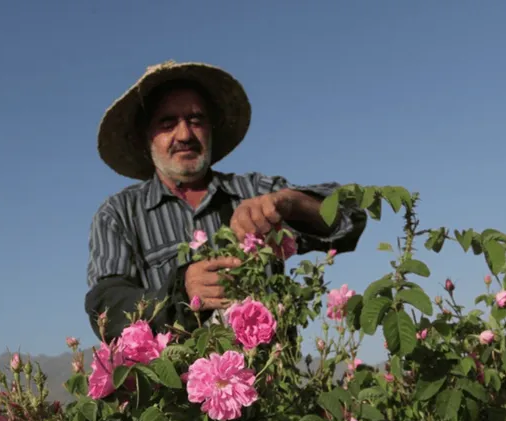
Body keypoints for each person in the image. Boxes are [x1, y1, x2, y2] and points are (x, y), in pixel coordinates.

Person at [84, 60, 368, 341]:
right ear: (148, 138)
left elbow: (350, 215)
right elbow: (106, 306)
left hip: (268, 380)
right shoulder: (119, 214)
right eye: (167, 123)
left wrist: (290, 203)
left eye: (196, 120)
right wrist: (180, 293)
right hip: (174, 385)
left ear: (211, 129)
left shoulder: (254, 189)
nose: (184, 134)